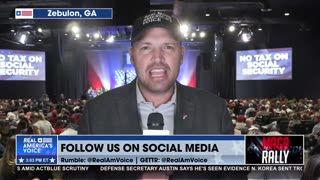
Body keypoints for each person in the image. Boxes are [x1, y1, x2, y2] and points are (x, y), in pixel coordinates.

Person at [79, 12, 233, 135]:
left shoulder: (215, 111)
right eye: (146, 47)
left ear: (182, 55)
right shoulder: (96, 112)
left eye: (168, 47)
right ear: (132, 56)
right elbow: (82, 174)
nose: (158, 58)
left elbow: (231, 173)